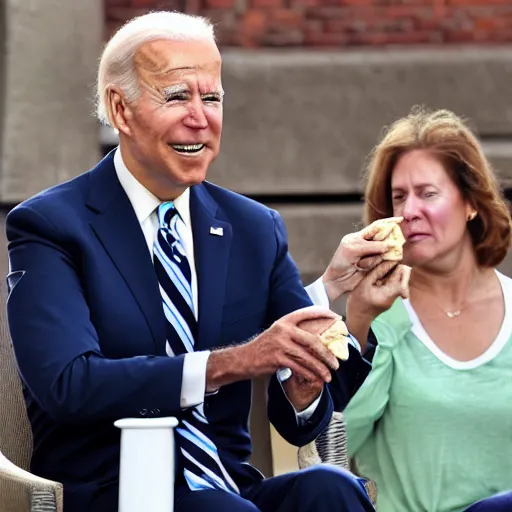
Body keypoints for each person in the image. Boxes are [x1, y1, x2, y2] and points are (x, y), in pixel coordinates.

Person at [5, 12, 405, 512]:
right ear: (121, 109)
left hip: (228, 485)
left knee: (330, 490)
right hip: (116, 492)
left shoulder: (254, 227)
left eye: (211, 97)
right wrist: (234, 362)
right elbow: (69, 386)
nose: (201, 117)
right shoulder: (51, 225)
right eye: (177, 97)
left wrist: (347, 320)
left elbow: (301, 420)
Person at [343, 107, 512, 512]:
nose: (409, 211)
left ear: (471, 202)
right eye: (399, 197)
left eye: (427, 193)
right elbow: (331, 442)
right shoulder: (381, 317)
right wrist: (358, 325)